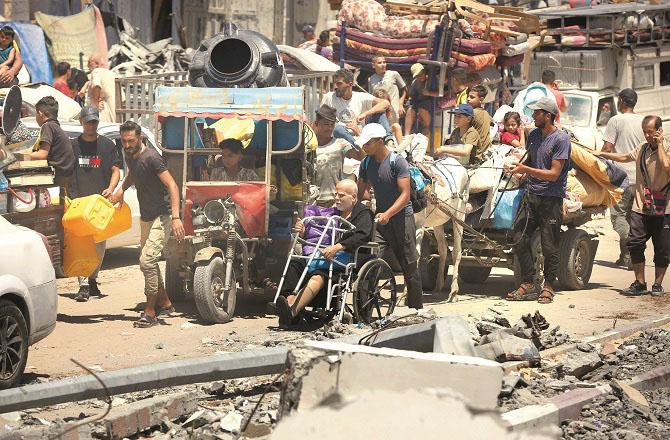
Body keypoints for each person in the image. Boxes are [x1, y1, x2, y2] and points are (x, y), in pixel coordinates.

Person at [109, 121, 185, 328]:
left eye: (131, 141)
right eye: (124, 141)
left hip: (163, 216)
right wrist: (121, 190)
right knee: (147, 261)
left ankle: (150, 311)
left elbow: (172, 185)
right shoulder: (130, 154)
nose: (126, 145)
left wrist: (176, 217)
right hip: (146, 217)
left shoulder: (152, 158)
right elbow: (133, 173)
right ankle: (166, 302)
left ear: (140, 138)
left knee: (147, 261)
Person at [275, 179, 374, 327]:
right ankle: (287, 301)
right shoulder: (333, 212)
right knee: (295, 264)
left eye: (341, 195)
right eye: (336, 195)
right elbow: (317, 232)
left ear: (353, 197)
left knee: (319, 275)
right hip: (325, 255)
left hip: (349, 257)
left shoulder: (363, 213)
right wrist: (303, 230)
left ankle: (292, 310)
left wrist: (338, 247)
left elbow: (362, 235)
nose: (337, 198)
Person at [594, 116, 670, 297]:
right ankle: (640, 282)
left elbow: (666, 166)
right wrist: (603, 154)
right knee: (634, 243)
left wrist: (659, 145)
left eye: (651, 132)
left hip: (664, 207)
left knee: (662, 248)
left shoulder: (667, 149)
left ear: (660, 131)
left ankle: (657, 284)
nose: (647, 136)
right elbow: (625, 156)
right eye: (645, 132)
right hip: (641, 205)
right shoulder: (642, 149)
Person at [506, 97, 570, 304]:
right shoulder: (533, 135)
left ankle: (550, 285)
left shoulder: (561, 140)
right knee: (518, 238)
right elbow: (530, 159)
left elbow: (553, 174)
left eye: (537, 113)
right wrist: (518, 168)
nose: (533, 116)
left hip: (551, 199)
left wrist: (526, 170)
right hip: (531, 195)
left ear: (548, 116)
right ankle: (529, 282)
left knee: (549, 245)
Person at [357, 123, 423, 309]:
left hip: (402, 219)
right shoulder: (366, 163)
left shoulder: (397, 162)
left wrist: (388, 213)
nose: (364, 147)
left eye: (368, 143)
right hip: (381, 221)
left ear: (379, 142)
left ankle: (417, 310)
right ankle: (366, 310)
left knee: (410, 266)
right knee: (371, 260)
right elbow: (359, 191)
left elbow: (405, 195)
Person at [71, 106, 122, 301]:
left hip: (101, 203)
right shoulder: (73, 145)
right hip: (80, 202)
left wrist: (111, 188)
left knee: (100, 244)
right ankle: (83, 285)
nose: (91, 125)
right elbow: (68, 171)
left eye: (94, 121)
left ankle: (92, 280)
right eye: (88, 121)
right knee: (82, 243)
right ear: (81, 122)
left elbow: (115, 169)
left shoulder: (108, 145)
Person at [601, 88, 645, 269]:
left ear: (621, 102)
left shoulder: (616, 120)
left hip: (621, 178)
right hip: (641, 179)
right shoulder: (644, 121)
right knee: (633, 218)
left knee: (618, 217)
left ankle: (632, 247)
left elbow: (607, 148)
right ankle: (626, 257)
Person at [321, 68, 392, 146]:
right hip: (341, 135)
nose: (335, 87)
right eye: (335, 83)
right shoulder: (329, 97)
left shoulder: (360, 96)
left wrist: (365, 114)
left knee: (380, 114)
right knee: (338, 129)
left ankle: (389, 141)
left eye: (339, 84)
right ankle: (358, 145)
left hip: (360, 133)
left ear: (350, 84)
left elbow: (386, 103)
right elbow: (321, 120)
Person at [311, 104, 364, 207]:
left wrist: (358, 136)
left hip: (335, 200)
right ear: (317, 124)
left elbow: (361, 156)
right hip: (313, 200)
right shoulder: (309, 146)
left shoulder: (341, 144)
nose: (330, 128)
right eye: (326, 124)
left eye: (332, 124)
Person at [28, 96, 75, 193]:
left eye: (35, 114)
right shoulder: (55, 126)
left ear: (40, 114)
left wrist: (19, 157)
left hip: (56, 176)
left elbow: (42, 154)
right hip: (65, 175)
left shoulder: (48, 126)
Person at [368, 55, 408, 126]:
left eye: (384, 62)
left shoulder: (394, 74)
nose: (383, 65)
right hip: (379, 111)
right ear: (373, 65)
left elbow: (405, 90)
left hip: (393, 110)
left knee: (395, 129)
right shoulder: (371, 79)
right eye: (379, 63)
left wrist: (400, 103)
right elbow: (371, 97)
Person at [86, 54, 117, 123]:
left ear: (96, 64)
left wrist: (96, 103)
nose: (87, 66)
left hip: (102, 113)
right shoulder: (112, 74)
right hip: (114, 115)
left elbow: (96, 85)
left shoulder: (96, 71)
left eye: (89, 62)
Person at [404, 63, 433, 137]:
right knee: (410, 110)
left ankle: (428, 128)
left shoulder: (432, 80)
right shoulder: (415, 82)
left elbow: (441, 92)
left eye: (420, 74)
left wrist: (429, 93)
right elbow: (412, 95)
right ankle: (406, 135)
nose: (419, 77)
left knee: (422, 109)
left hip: (430, 101)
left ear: (424, 71)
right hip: (418, 101)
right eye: (417, 76)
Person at [466, 84, 493, 161]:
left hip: (476, 154)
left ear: (481, 99)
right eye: (468, 96)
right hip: (484, 152)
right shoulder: (486, 113)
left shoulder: (472, 113)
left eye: (472, 97)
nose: (468, 99)